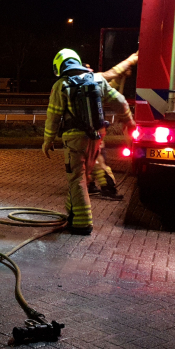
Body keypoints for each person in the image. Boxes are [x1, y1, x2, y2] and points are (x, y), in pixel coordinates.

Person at [42, 49, 135, 235]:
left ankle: (82, 224)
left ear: (59, 66)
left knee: (77, 179)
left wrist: (48, 140)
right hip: (96, 138)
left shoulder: (61, 85)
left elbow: (53, 116)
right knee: (82, 178)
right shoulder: (98, 80)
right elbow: (121, 101)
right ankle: (73, 214)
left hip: (74, 140)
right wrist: (129, 123)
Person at [88, 52, 139, 198]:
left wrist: (121, 76)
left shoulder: (70, 85)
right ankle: (108, 188)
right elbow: (111, 76)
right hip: (94, 131)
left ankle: (89, 184)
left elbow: (110, 84)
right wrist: (131, 60)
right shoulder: (93, 80)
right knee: (99, 159)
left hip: (78, 133)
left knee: (87, 160)